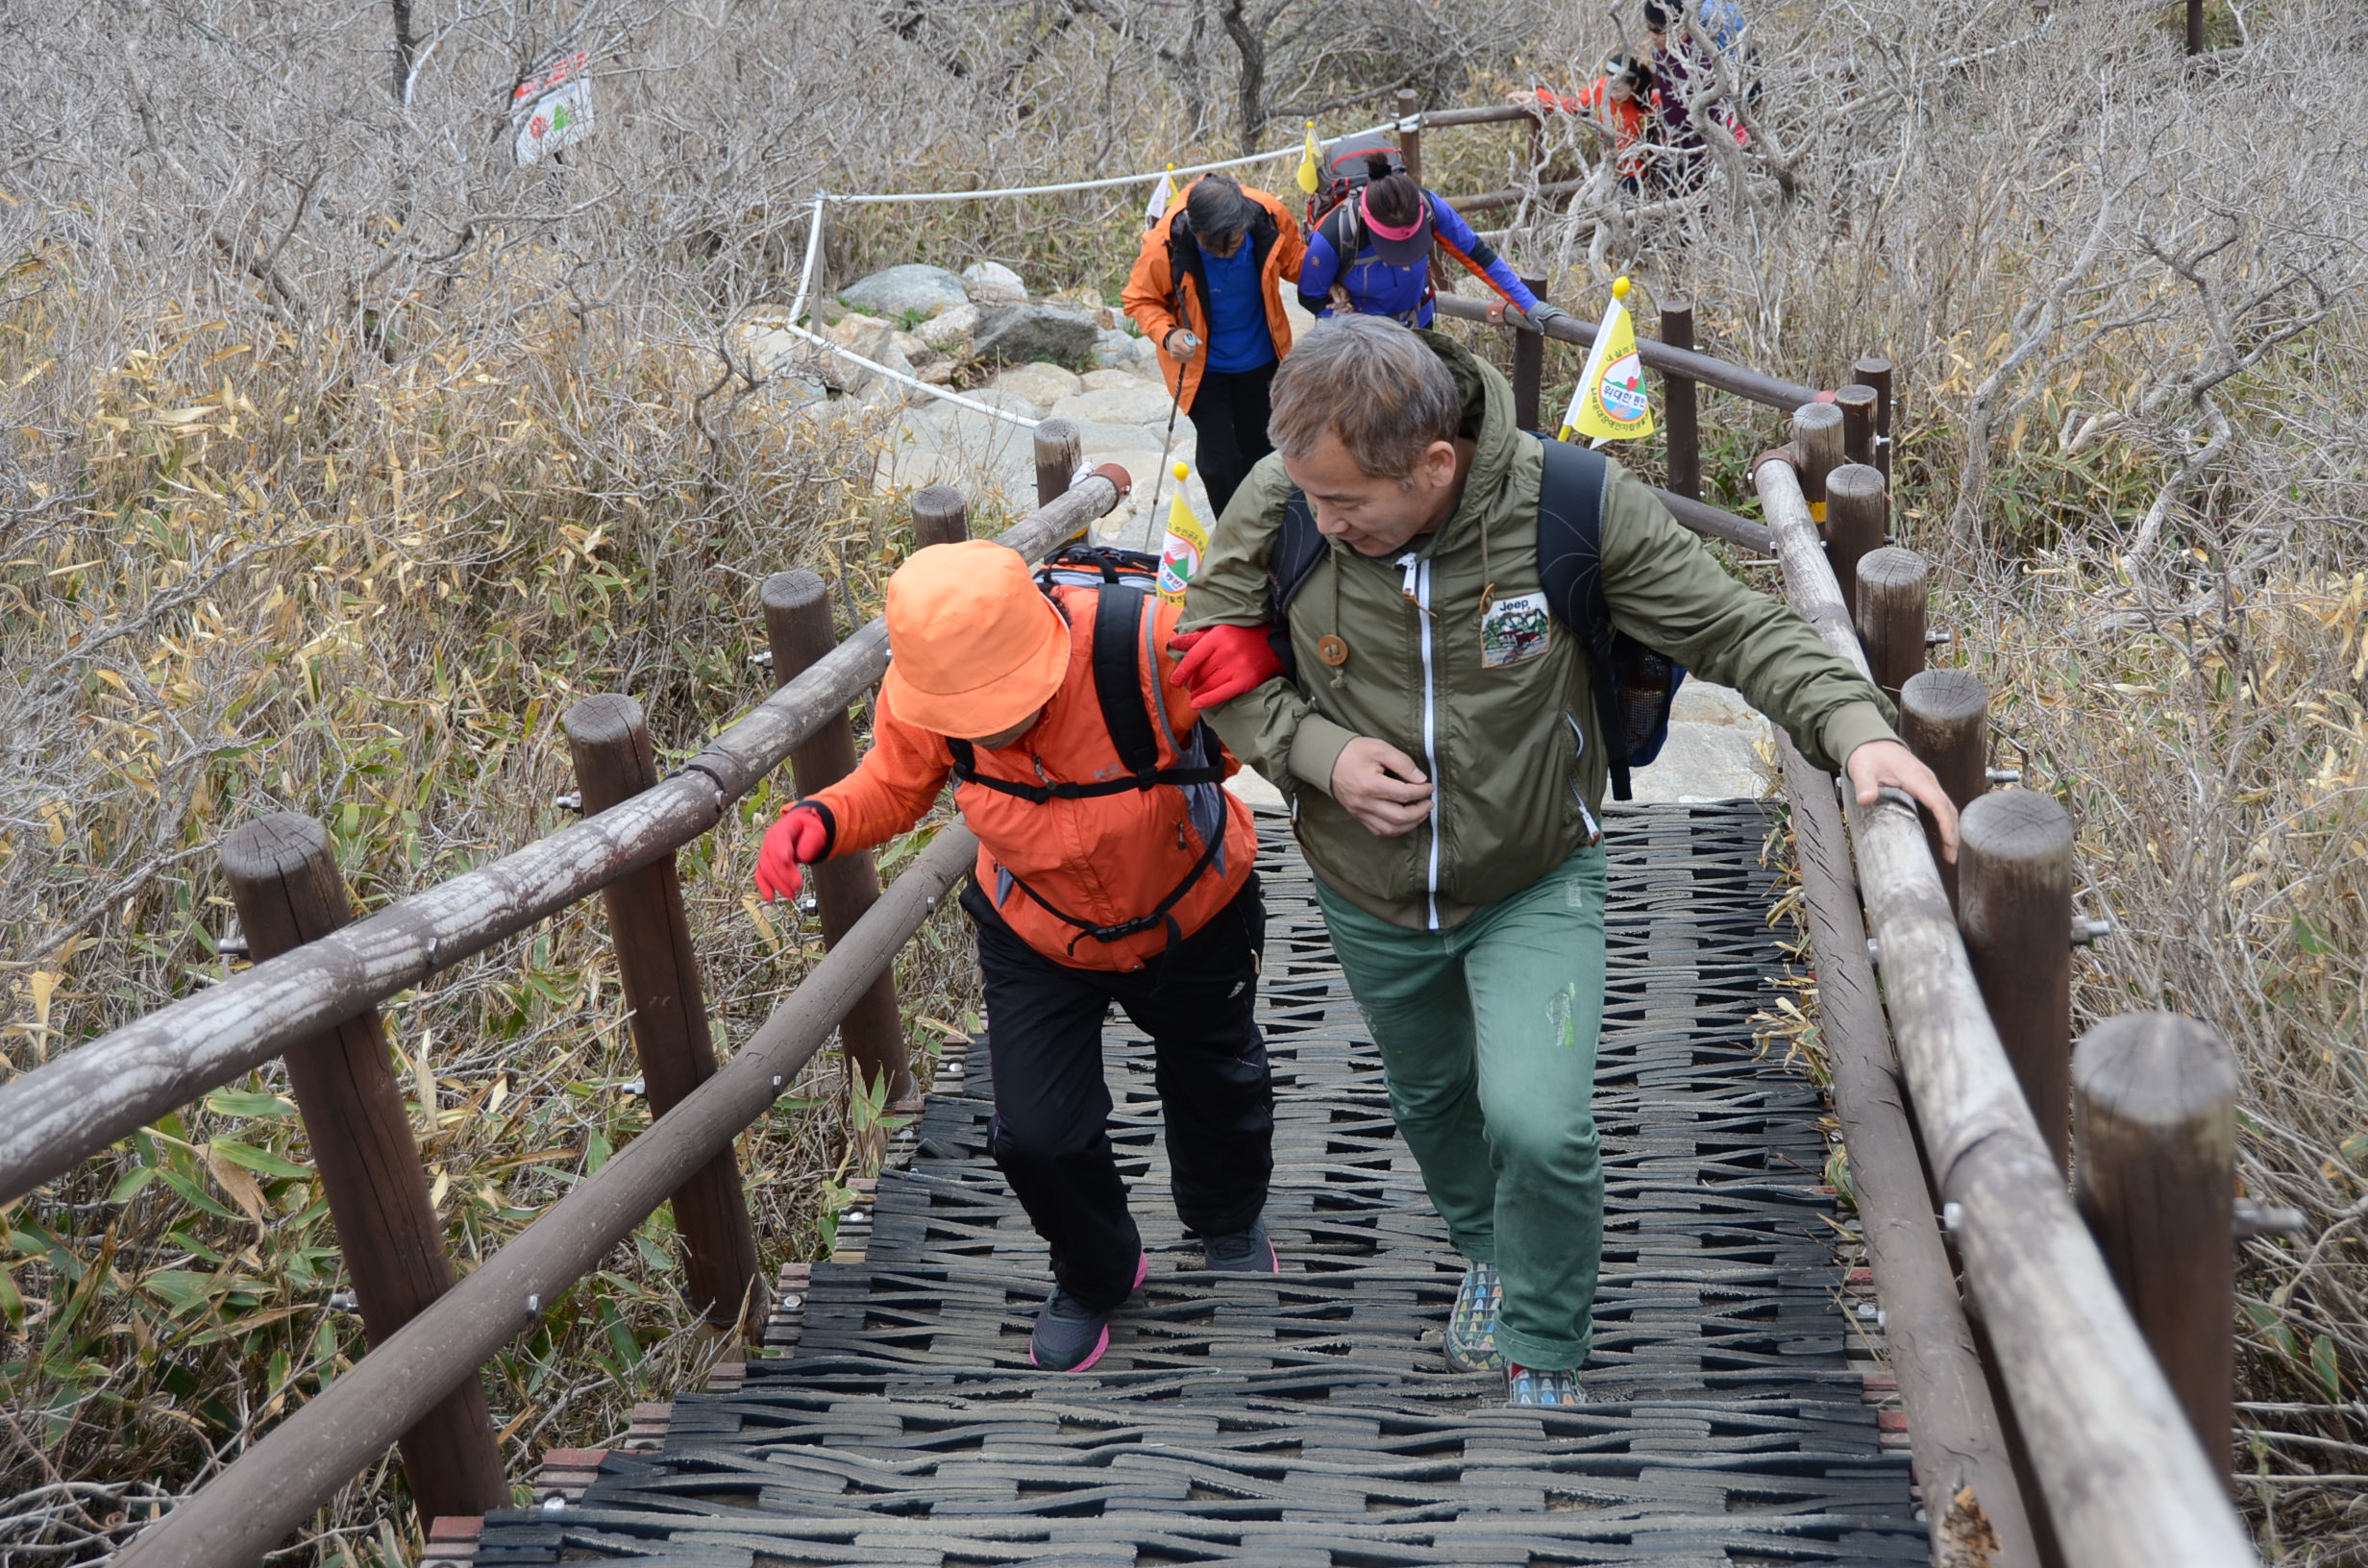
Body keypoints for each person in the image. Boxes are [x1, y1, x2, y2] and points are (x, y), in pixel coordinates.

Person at [1168, 316, 1960, 1407]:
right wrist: (1319, 753)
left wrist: (1856, 726)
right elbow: (1208, 653)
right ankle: (1488, 1254)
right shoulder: (1286, 494)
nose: (1321, 519)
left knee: (1536, 1121)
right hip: (1363, 885)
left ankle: (1544, 1335)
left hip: (1534, 872)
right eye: (1311, 498)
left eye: (1347, 502)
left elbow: (1732, 628)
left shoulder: (1571, 506)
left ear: (1434, 463)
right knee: (1435, 1102)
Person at [753, 539, 1278, 1374]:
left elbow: (1256, 734)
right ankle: (1098, 1271)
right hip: (1037, 925)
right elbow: (894, 783)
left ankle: (1225, 1217)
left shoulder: (1144, 641)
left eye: (1006, 702)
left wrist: (1259, 661)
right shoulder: (925, 691)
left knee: (1217, 1076)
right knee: (1035, 1134)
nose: (992, 726)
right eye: (973, 716)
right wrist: (818, 819)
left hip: (1191, 904)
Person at [1122, 174, 1305, 518]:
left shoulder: (1268, 217)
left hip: (1262, 360)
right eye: (1213, 246)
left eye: (1233, 244)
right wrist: (1168, 334)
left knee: (1265, 452)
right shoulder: (1165, 243)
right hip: (1201, 369)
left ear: (1245, 224)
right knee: (1219, 464)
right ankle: (1233, 533)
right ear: (1195, 230)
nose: (1223, 254)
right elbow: (1139, 300)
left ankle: (1273, 528)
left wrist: (1336, 282)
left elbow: (1298, 261)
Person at [1294, 152, 1566, 333]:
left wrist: (1529, 305)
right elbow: (1310, 297)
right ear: (1366, 215)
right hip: (1360, 338)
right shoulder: (1333, 236)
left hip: (1419, 323)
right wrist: (1344, 320)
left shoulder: (1430, 206)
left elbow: (1477, 255)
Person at [1513, 56, 1657, 193]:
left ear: (1634, 85)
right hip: (1609, 168)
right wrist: (1540, 96)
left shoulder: (1645, 98)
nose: (1612, 94)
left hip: (1634, 171)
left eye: (1618, 89)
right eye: (1610, 87)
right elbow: (1575, 106)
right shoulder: (1600, 87)